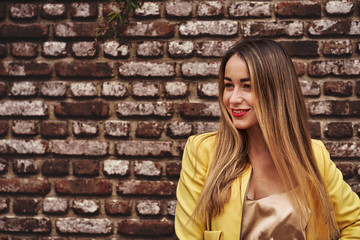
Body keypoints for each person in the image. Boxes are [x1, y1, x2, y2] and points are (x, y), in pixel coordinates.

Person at [175, 39, 360, 240]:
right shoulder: (202, 151)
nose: (234, 98)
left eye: (247, 86)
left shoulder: (314, 156)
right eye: (229, 86)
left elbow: (355, 223)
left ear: (275, 91)